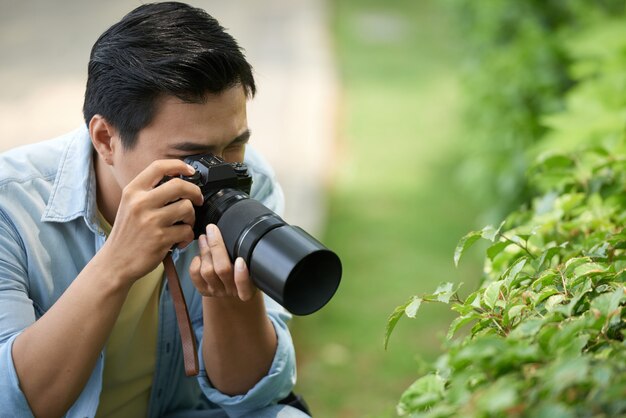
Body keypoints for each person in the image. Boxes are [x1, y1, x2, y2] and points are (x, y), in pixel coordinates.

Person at [0, 2, 310, 417]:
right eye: (195, 156)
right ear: (106, 139)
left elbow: (252, 396)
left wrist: (230, 298)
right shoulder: (11, 204)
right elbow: (12, 404)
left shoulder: (251, 178)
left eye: (233, 145)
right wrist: (115, 264)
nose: (222, 172)